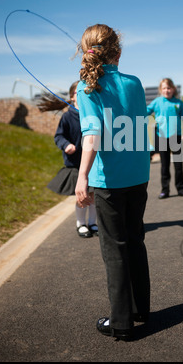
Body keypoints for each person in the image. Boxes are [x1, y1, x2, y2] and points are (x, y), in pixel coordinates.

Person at [75, 24, 150, 341]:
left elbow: (92, 135)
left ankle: (121, 323)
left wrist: (81, 175)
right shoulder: (134, 83)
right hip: (139, 174)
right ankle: (140, 309)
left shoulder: (86, 87)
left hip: (110, 180)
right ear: (117, 51)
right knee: (135, 241)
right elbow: (134, 126)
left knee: (114, 250)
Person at [38, 81, 97, 238]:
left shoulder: (91, 114)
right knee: (82, 196)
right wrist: (66, 145)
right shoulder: (67, 117)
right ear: (72, 97)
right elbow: (59, 136)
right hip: (76, 164)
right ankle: (81, 224)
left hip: (93, 164)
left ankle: (92, 223)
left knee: (93, 196)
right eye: (80, 93)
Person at [146, 78, 183, 199]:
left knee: (178, 165)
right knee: (164, 166)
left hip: (176, 137)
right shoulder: (157, 102)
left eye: (169, 88)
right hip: (162, 137)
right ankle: (165, 190)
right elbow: (146, 112)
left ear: (173, 89)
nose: (167, 90)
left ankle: (181, 188)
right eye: (164, 88)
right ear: (161, 90)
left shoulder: (178, 103)